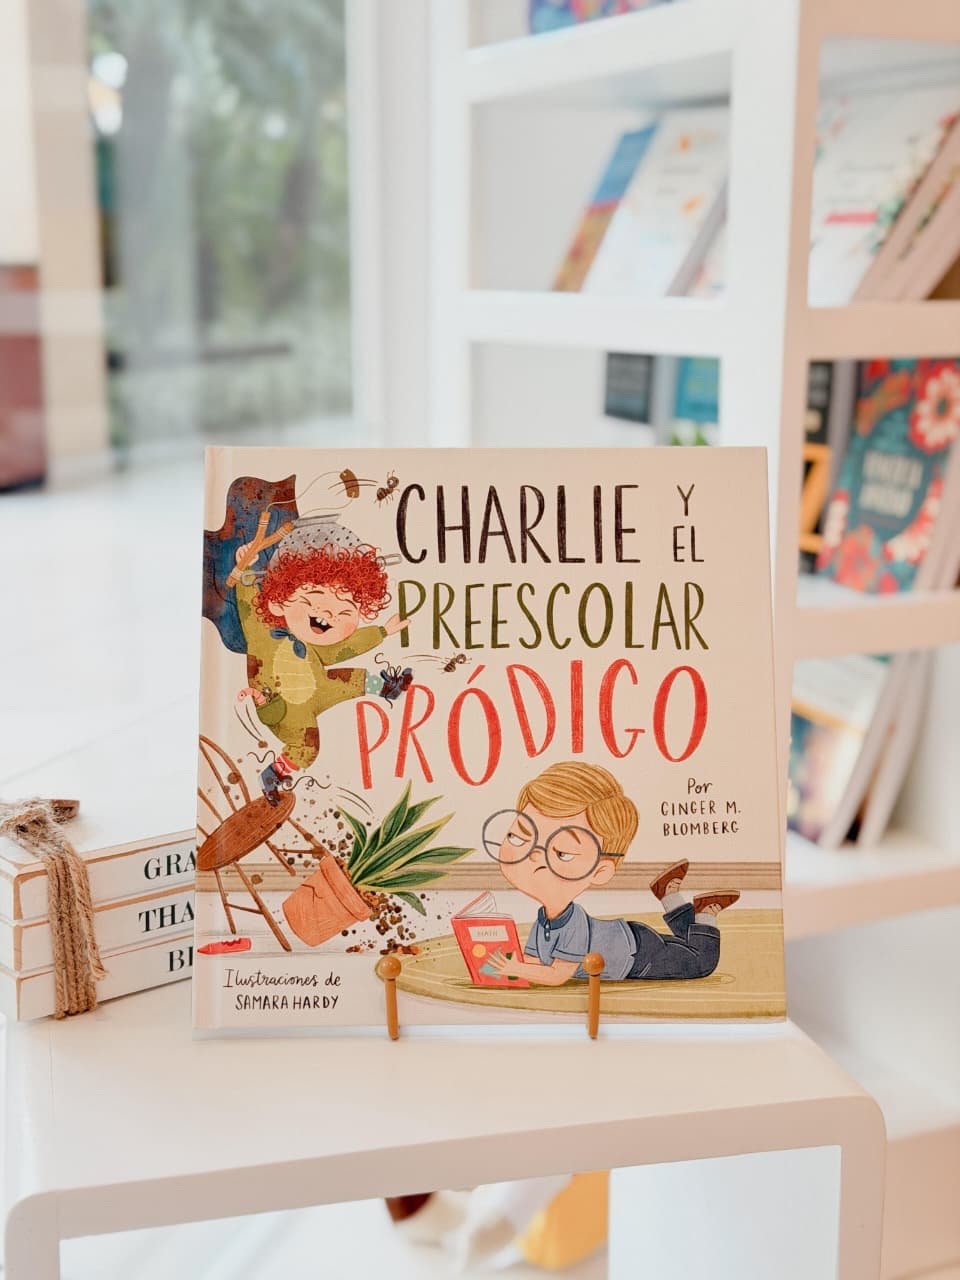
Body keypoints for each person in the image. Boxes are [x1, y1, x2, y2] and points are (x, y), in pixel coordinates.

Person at [485, 760, 739, 985]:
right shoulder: (544, 920)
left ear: (601, 870)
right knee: (686, 946)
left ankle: (705, 913)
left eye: (562, 853)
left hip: (639, 957)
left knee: (699, 962)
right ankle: (669, 894)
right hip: (630, 938)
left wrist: (514, 969)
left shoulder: (573, 922)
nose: (533, 855)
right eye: (518, 838)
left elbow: (557, 975)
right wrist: (504, 968)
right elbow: (534, 963)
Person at [233, 522, 408, 802]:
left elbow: (344, 648)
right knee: (307, 747)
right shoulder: (261, 632)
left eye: (345, 611)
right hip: (285, 710)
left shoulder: (316, 646)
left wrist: (382, 631)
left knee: (351, 678)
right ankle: (271, 775)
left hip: (319, 687)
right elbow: (248, 602)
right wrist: (245, 569)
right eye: (314, 599)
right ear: (278, 601)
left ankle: (388, 688)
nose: (328, 614)